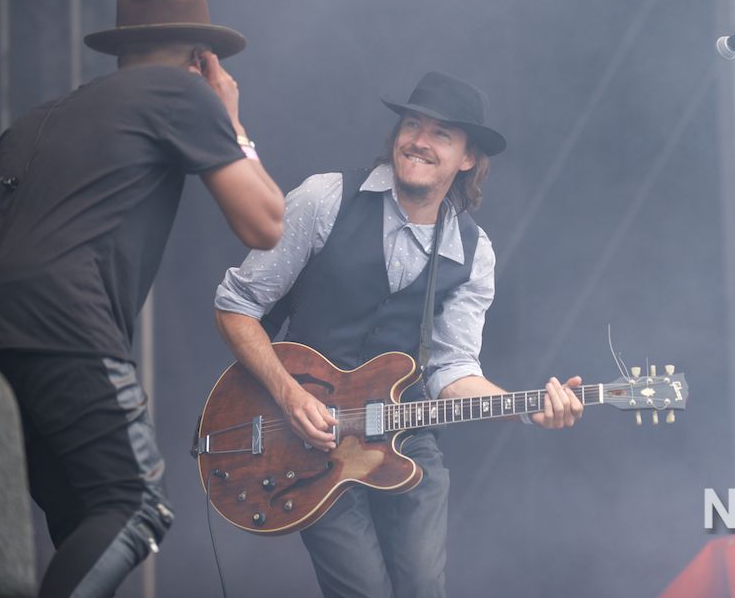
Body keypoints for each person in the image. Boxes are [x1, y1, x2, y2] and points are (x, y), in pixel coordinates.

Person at [0, 0, 286, 598]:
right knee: (134, 504)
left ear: (122, 48)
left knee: (45, 524)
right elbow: (265, 224)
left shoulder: (33, 122)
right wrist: (231, 120)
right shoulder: (182, 95)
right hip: (60, 319)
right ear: (201, 59)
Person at [213, 71, 583, 597]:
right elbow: (236, 306)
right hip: (309, 439)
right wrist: (290, 396)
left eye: (441, 134)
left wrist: (526, 408)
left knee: (423, 588)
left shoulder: (473, 252)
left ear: (468, 158)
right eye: (413, 125)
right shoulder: (325, 198)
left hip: (407, 434)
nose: (419, 141)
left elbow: (452, 371)